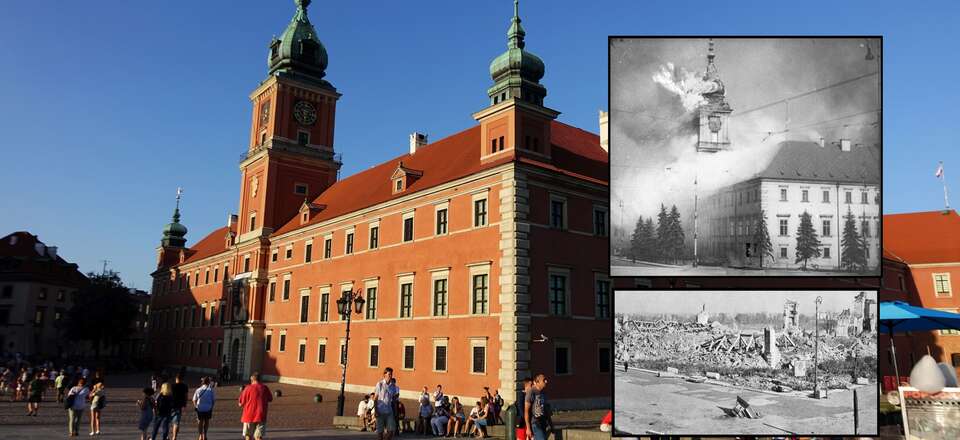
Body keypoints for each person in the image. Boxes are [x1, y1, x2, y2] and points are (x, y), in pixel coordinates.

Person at [238, 372, 272, 440]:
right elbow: (270, 399)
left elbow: (241, 403)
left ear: (252, 379)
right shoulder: (265, 388)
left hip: (249, 415)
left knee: (248, 436)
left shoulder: (247, 388)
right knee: (258, 437)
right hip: (261, 415)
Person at [372, 367, 397, 440]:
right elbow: (375, 399)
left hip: (389, 411)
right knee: (380, 433)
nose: (390, 376)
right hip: (380, 411)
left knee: (391, 431)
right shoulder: (379, 384)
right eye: (389, 374)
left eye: (391, 374)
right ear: (384, 375)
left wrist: (395, 410)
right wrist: (376, 411)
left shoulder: (393, 386)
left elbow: (394, 399)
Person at [524, 374, 550, 440]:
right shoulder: (531, 392)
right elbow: (526, 411)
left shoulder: (543, 393)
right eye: (544, 380)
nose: (546, 381)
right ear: (537, 382)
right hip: (536, 423)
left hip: (543, 423)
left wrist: (551, 424)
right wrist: (528, 428)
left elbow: (546, 410)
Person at [170, 374, 189, 440]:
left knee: (167, 421)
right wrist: (185, 404)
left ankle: (166, 436)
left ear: (176, 379)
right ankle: (174, 437)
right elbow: (186, 396)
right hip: (179, 406)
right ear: (182, 379)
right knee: (176, 422)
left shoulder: (172, 386)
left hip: (170, 406)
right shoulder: (184, 386)